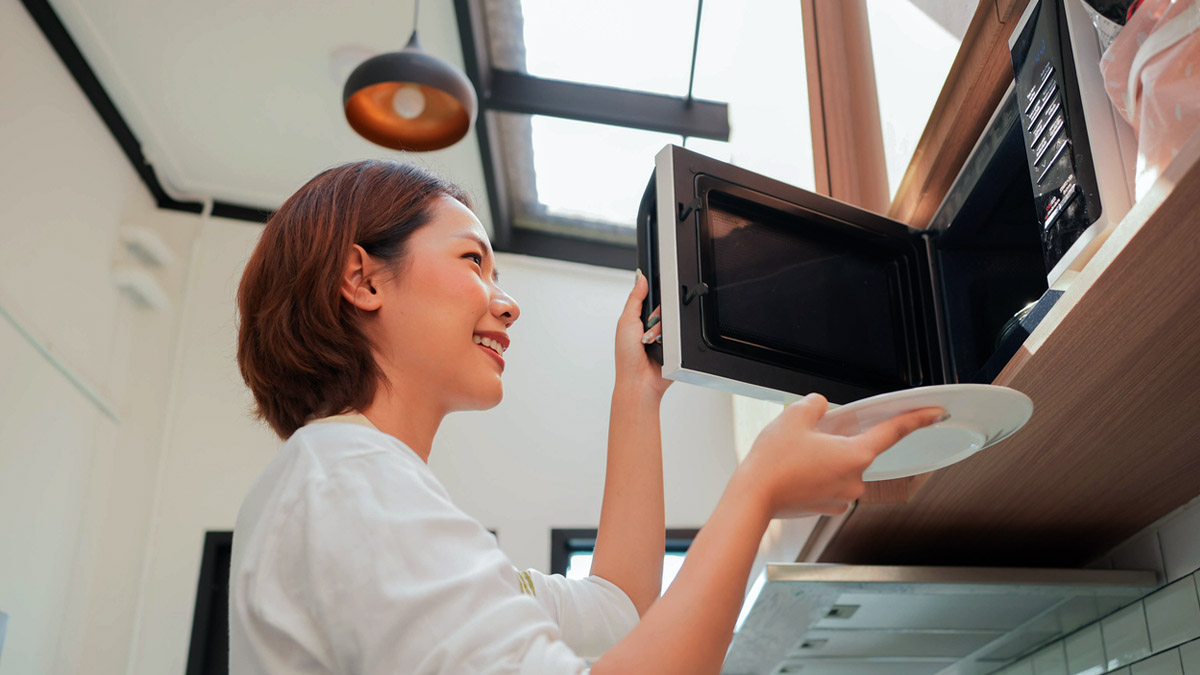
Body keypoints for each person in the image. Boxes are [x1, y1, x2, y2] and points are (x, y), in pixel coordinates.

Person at [230, 159, 943, 674]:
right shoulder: (351, 480)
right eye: (473, 260)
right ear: (363, 279)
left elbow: (619, 610)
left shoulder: (353, 483)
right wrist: (755, 490)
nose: (507, 302)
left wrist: (636, 390)